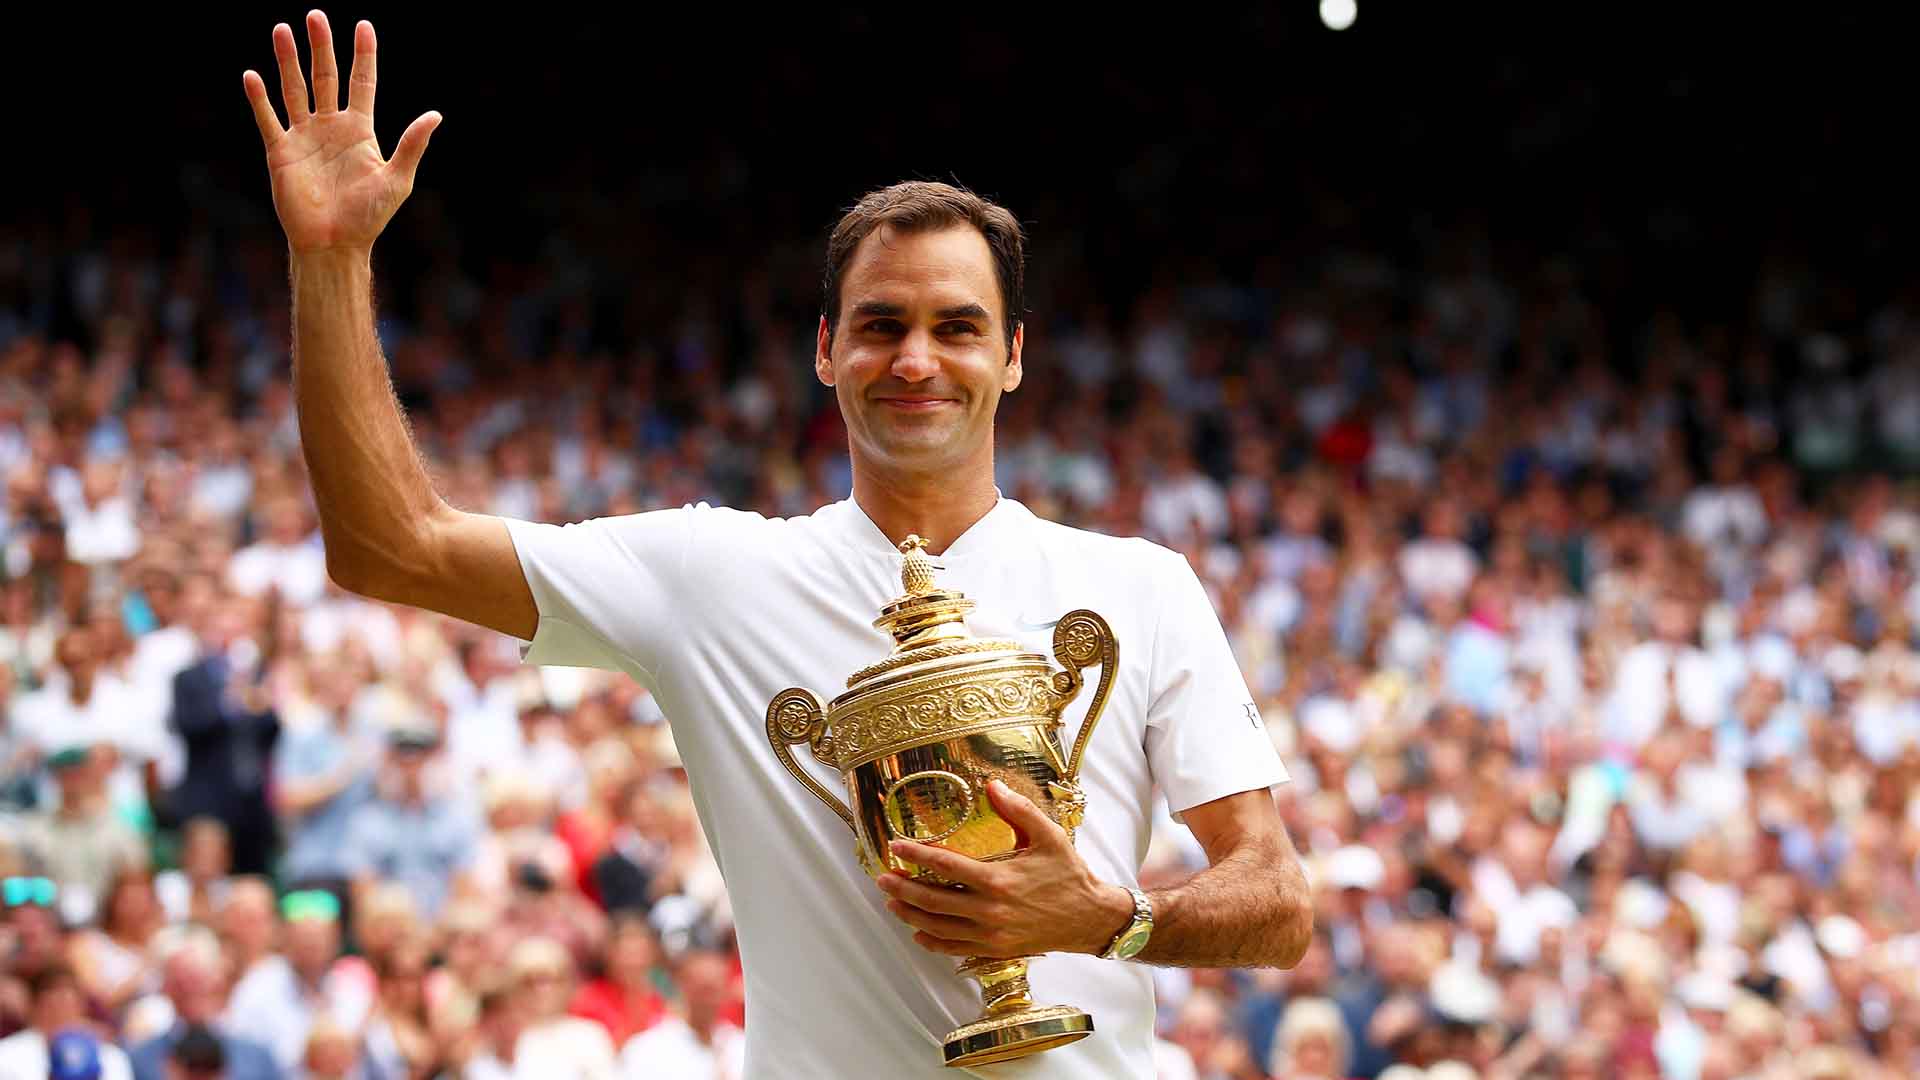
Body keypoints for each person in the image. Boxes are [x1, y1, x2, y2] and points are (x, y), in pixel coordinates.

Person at [242, 13, 1311, 1077]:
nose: (917, 359)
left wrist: (1110, 917)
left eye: (959, 326)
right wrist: (331, 262)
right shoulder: (714, 578)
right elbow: (390, 546)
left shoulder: (1139, 587)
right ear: (826, 351)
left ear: (1014, 356)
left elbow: (1276, 902)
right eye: (882, 325)